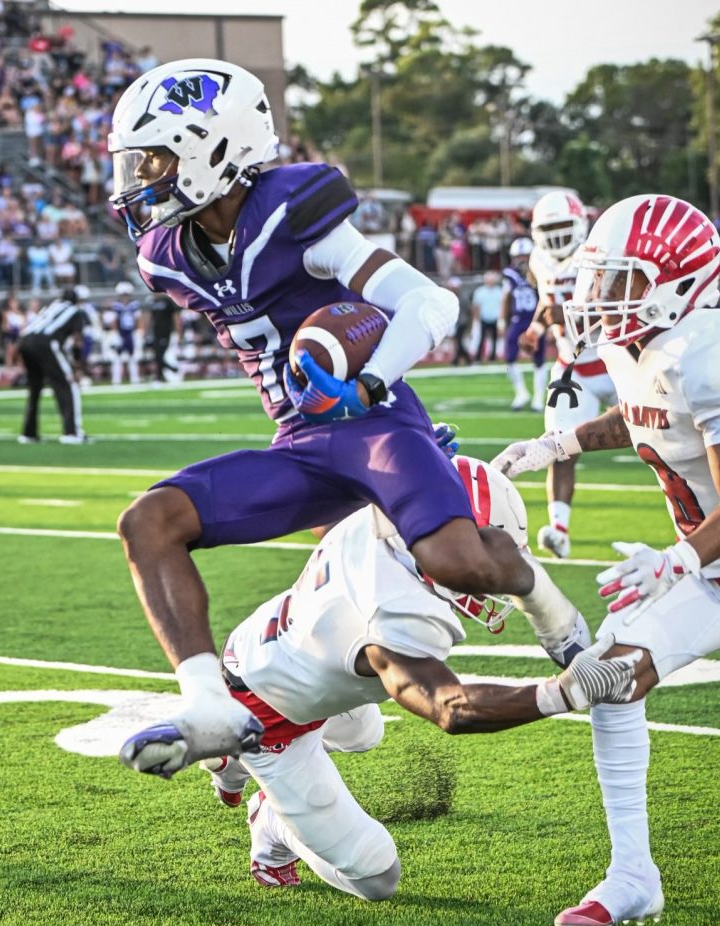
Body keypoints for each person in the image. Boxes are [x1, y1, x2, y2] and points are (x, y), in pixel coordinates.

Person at [105, 59, 585, 778]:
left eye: (158, 156)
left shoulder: (295, 214)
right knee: (148, 522)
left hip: (378, 426)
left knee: (459, 564)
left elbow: (431, 305)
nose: (143, 176)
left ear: (215, 148)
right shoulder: (171, 255)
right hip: (301, 444)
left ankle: (556, 615)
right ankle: (210, 704)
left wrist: (365, 384)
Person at [194, 457, 635, 896]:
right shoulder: (396, 610)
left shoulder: (382, 518)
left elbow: (339, 506)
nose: (488, 575)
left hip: (271, 648)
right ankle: (269, 817)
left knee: (364, 732)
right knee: (377, 879)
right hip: (269, 715)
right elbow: (452, 709)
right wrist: (564, 693)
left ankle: (227, 759)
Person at [492, 194, 720, 926]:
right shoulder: (644, 348)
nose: (599, 296)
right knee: (610, 671)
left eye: (620, 280)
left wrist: (676, 558)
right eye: (598, 278)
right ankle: (634, 874)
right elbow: (641, 413)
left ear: (677, 282)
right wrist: (558, 445)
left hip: (717, 555)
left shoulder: (715, 352)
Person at [525, 191, 614, 559]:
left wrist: (568, 316)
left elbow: (613, 308)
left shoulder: (599, 254)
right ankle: (559, 529)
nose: (557, 236)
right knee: (560, 448)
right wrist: (535, 328)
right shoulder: (538, 260)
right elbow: (548, 304)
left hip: (614, 361)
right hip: (571, 367)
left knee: (661, 441)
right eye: (550, 229)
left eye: (563, 227)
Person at [17, 285, 91, 444]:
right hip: (46, 342)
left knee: (35, 389)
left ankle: (28, 433)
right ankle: (72, 432)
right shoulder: (75, 311)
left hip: (25, 341)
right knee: (68, 385)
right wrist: (78, 367)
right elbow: (78, 341)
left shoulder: (50, 307)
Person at [502, 238, 546, 410]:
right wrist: (501, 320)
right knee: (510, 356)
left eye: (524, 256)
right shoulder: (510, 274)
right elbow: (506, 298)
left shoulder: (540, 272)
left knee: (539, 359)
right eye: (518, 256)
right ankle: (521, 393)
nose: (521, 260)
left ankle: (538, 398)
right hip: (518, 318)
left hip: (536, 320)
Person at [105, 281, 144, 385]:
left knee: (133, 356)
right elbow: (113, 320)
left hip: (131, 332)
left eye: (126, 294)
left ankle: (135, 378)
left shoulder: (135, 304)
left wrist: (139, 331)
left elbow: (138, 319)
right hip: (120, 332)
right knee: (117, 356)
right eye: (123, 294)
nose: (124, 297)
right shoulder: (115, 305)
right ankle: (116, 379)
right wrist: (115, 333)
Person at [470, 271, 503, 362]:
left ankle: (493, 357)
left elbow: (502, 306)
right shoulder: (480, 292)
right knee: (481, 338)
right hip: (483, 318)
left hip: (495, 318)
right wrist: (476, 319)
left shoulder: (499, 291)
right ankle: (478, 356)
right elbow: (475, 306)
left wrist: (501, 319)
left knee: (495, 339)